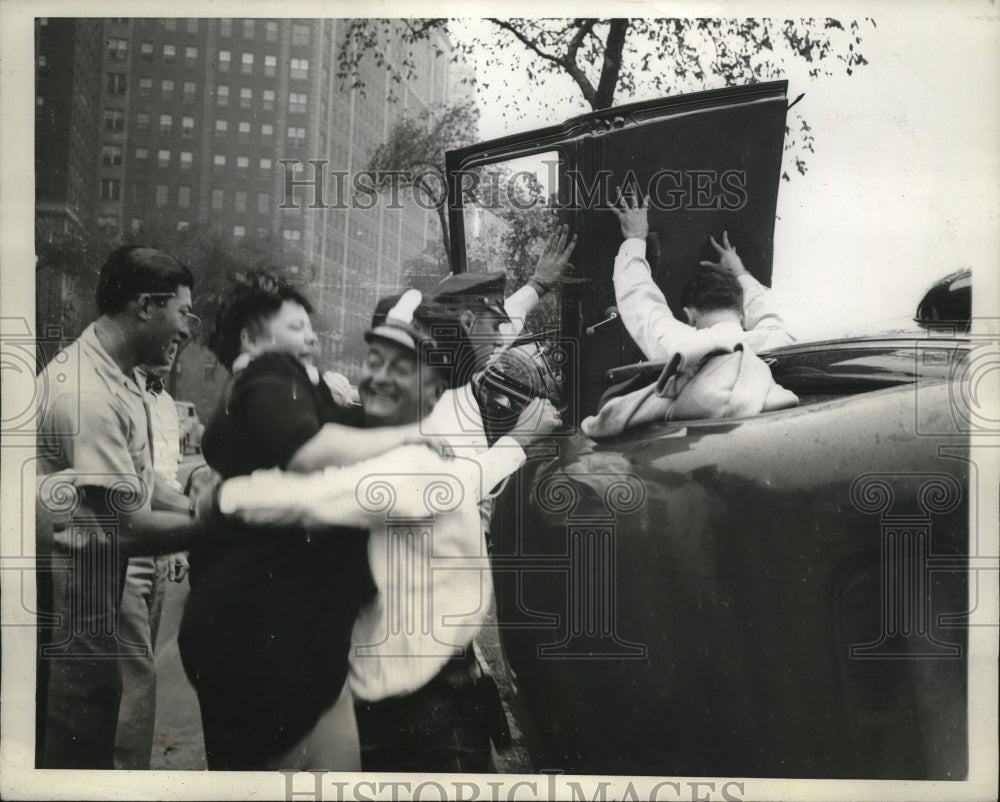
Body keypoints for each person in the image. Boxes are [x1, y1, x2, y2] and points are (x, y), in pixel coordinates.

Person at [210, 288, 561, 773]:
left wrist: (219, 500)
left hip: (430, 710)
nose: (379, 376)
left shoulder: (421, 458)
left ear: (437, 390)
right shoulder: (356, 432)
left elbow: (314, 498)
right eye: (375, 360)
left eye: (404, 366)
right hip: (361, 694)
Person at [176, 272, 448, 770]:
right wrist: (408, 437)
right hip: (267, 651)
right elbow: (306, 455)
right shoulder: (270, 377)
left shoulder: (300, 395)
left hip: (306, 656)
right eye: (297, 326)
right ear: (251, 340)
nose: (312, 338)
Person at [35, 244, 213, 769]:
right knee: (79, 742)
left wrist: (199, 501)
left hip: (93, 584)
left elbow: (138, 486)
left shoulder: (117, 375)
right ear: (145, 306)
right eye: (183, 313)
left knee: (105, 713)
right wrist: (220, 523)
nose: (187, 330)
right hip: (66, 601)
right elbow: (127, 527)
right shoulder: (87, 392)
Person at [580, 193, 798, 436]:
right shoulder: (779, 341)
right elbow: (767, 313)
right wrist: (740, 271)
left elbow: (639, 298)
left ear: (690, 316)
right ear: (743, 315)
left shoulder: (682, 346)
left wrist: (635, 238)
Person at [114, 351, 190, 769]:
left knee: (145, 666)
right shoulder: (120, 390)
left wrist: (175, 544)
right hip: (126, 544)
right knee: (135, 672)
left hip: (158, 547)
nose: (174, 346)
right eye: (171, 336)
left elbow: (168, 477)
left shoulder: (165, 403)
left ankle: (134, 768)